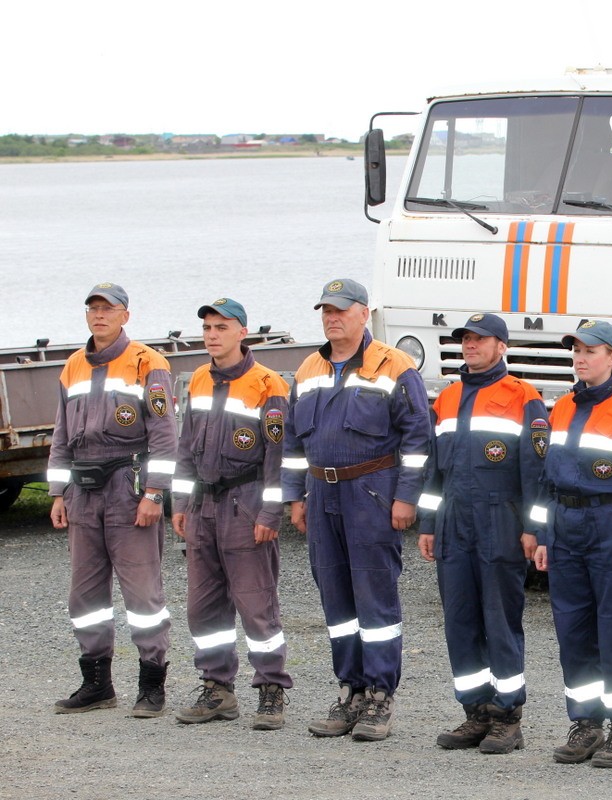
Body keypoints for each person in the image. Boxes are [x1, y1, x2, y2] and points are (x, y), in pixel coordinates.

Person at [281, 278, 431, 742]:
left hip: (371, 491)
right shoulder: (307, 368)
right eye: (326, 310)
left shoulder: (394, 365)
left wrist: (406, 497)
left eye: (341, 310)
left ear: (364, 314)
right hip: (321, 495)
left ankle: (380, 696)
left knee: (374, 595)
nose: (332, 318)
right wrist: (293, 495)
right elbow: (291, 441)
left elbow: (418, 439)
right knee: (337, 599)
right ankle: (350, 690)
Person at [529, 320, 612, 768]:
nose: (580, 358)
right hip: (567, 530)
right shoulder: (563, 406)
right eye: (576, 351)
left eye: (590, 350)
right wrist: (545, 536)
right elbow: (547, 481)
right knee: (574, 634)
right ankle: (586, 724)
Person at [417, 313, 548, 754]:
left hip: (500, 522)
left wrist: (533, 528)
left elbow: (536, 472)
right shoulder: (448, 397)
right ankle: (475, 713)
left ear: (501, 346)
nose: (471, 346)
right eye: (466, 340)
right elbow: (433, 471)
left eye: (480, 339)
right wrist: (429, 524)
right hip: (455, 523)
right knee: (460, 622)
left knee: (500, 620)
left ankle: (507, 717)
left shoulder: (523, 397)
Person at [47, 282, 176, 717]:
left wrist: (155, 493)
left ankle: (151, 684)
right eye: (93, 308)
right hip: (83, 492)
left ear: (126, 315)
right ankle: (97, 684)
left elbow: (163, 435)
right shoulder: (72, 367)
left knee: (142, 594)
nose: (99, 315)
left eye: (108, 308)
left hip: (129, 487)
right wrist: (57, 492)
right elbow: (61, 436)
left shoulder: (147, 363)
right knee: (84, 597)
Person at [170, 298, 292, 730]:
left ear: (243, 332)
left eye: (221, 327)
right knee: (202, 608)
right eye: (206, 327)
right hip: (203, 507)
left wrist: (270, 513)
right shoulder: (199, 379)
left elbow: (279, 459)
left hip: (246, 504)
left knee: (256, 604)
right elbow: (184, 448)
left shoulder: (267, 384)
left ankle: (271, 690)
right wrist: (180, 503)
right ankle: (217, 689)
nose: (212, 334)